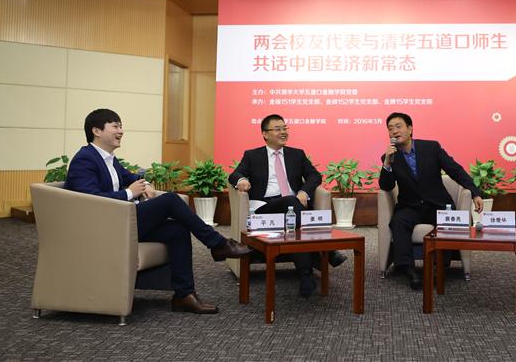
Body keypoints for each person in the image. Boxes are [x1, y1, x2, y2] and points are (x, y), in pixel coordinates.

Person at [65, 109, 250, 314]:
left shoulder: (109, 159)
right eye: (115, 126)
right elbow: (90, 199)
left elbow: (133, 178)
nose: (121, 131)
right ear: (96, 131)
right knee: (170, 200)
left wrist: (146, 185)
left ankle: (183, 295)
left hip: (122, 220)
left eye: (121, 126)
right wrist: (129, 193)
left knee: (177, 229)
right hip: (105, 226)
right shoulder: (85, 159)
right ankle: (218, 244)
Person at [228, 114, 346, 298]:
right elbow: (235, 174)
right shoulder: (252, 155)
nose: (283, 132)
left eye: (285, 128)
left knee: (293, 220)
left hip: (294, 206)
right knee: (292, 204)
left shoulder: (296, 154)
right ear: (265, 134)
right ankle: (327, 250)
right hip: (266, 206)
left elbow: (315, 175)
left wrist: (304, 192)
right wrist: (241, 180)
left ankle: (306, 276)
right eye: (278, 129)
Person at [379, 112, 484, 290]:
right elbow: (386, 186)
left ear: (410, 129)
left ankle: (439, 267)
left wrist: (475, 193)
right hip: (410, 206)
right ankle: (409, 270)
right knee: (398, 222)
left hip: (437, 204)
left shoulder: (431, 148)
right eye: (390, 129)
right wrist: (387, 163)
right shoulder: (389, 157)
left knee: (448, 222)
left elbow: (455, 170)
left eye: (398, 126)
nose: (394, 131)